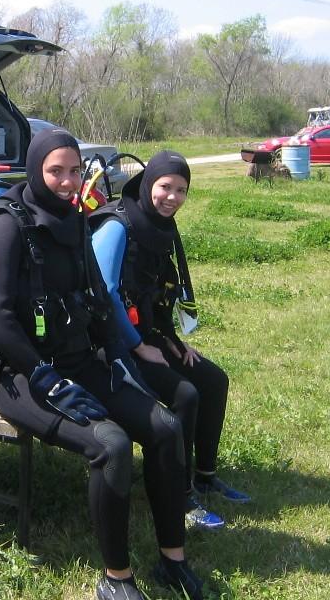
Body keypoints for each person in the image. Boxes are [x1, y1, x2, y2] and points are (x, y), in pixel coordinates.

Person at [0, 129, 204, 600]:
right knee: (110, 445)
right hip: (20, 377)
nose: (66, 181)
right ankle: (115, 579)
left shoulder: (76, 222)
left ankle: (172, 561)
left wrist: (123, 358)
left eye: (74, 171)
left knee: (165, 427)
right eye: (55, 171)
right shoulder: (5, 226)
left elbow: (99, 298)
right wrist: (43, 376)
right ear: (37, 169)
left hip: (80, 362)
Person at [91, 150, 250, 531]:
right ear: (148, 185)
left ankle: (205, 476)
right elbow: (105, 294)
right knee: (185, 394)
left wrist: (172, 340)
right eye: (165, 187)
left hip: (145, 335)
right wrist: (136, 345)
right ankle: (179, 496)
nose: (173, 197)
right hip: (109, 344)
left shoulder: (160, 227)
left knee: (213, 381)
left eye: (181, 190)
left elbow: (157, 291)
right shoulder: (118, 226)